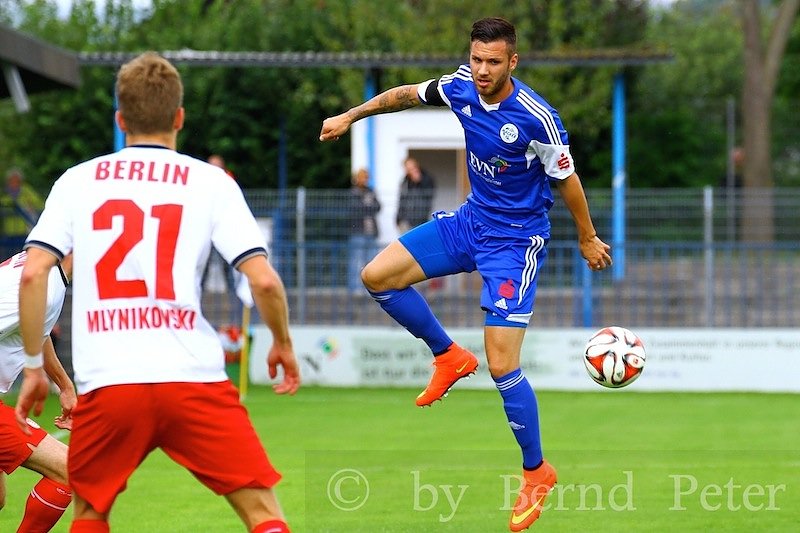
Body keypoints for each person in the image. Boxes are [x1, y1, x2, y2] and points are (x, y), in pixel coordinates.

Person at [320, 17, 611, 532]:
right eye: (476, 59)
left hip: (515, 241)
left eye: (492, 62)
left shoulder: (536, 118)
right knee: (377, 275)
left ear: (513, 61)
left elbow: (567, 180)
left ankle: (536, 471)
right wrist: (352, 114)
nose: (481, 70)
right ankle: (448, 355)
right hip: (471, 222)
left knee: (502, 366)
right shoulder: (459, 88)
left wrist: (586, 237)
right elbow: (406, 95)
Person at [15, 52, 300, 533]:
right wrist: (283, 344)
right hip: (192, 376)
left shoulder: (77, 181)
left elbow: (32, 273)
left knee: (89, 511)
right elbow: (264, 280)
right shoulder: (211, 182)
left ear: (120, 119)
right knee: (262, 512)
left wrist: (33, 365)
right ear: (180, 118)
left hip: (110, 381)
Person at [0, 251, 74, 532]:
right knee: (67, 469)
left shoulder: (41, 268)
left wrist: (65, 386)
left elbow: (34, 329)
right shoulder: (45, 285)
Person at [347, 168, 381, 292]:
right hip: (358, 232)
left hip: (371, 232)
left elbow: (378, 206)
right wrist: (368, 206)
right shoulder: (353, 193)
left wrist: (367, 207)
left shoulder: (371, 191)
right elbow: (357, 209)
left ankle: (370, 290)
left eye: (366, 177)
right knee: (356, 262)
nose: (365, 180)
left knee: (372, 262)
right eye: (362, 177)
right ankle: (355, 290)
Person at [396, 157, 436, 234]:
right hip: (406, 219)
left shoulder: (426, 178)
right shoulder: (405, 182)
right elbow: (402, 200)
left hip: (421, 218)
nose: (411, 171)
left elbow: (429, 194)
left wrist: (418, 181)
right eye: (408, 169)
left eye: (412, 167)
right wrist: (398, 218)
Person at [0, 169, 45, 238]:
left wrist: (32, 205)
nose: (14, 183)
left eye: (17, 180)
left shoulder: (27, 190)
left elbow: (40, 203)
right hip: (9, 231)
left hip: (26, 229)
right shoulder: (5, 192)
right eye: (12, 180)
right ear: (8, 181)